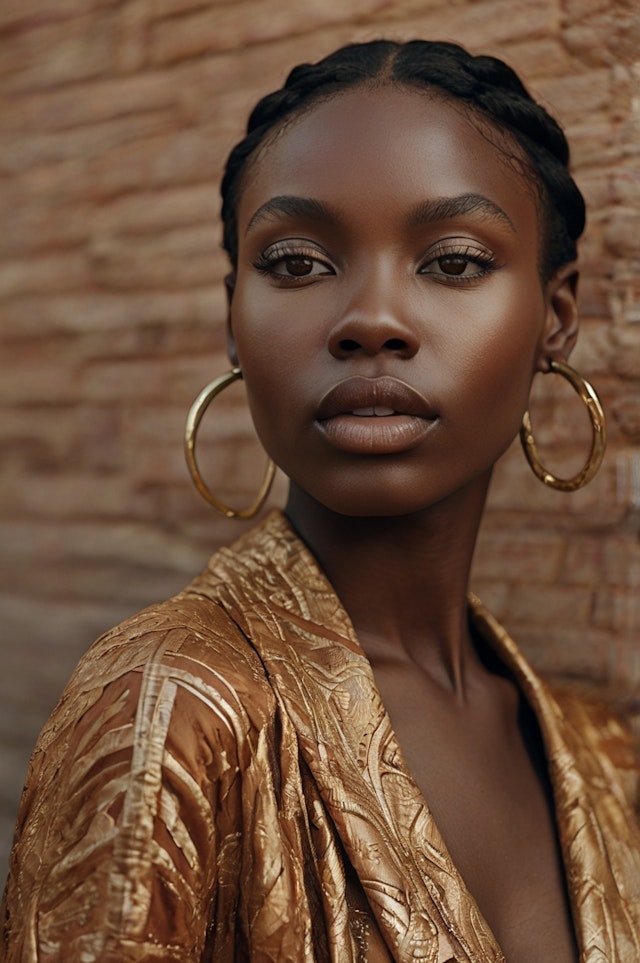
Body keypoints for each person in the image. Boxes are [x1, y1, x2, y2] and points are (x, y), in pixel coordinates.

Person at [2, 38, 639, 963]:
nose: (371, 319)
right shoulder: (170, 706)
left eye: (453, 260)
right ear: (233, 319)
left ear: (556, 315)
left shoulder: (605, 756)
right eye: (297, 263)